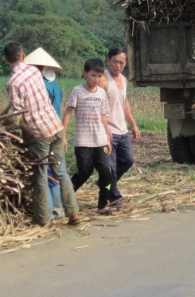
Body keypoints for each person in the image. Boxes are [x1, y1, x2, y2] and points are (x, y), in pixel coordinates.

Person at [0, 42, 80, 226]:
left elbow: (16, 116)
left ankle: (42, 219)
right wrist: (1, 115)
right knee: (61, 172)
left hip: (38, 134)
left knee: (40, 175)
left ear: (5, 59)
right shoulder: (34, 72)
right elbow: (16, 106)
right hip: (55, 126)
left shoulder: (13, 83)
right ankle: (73, 213)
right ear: (23, 56)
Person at [62, 59, 115, 216]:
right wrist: (63, 135)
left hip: (100, 140)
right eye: (93, 75)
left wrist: (108, 136)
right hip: (83, 141)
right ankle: (65, 199)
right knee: (84, 172)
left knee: (106, 173)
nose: (96, 79)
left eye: (99, 76)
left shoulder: (101, 93)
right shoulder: (78, 91)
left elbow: (103, 116)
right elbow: (68, 113)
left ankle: (102, 205)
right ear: (85, 74)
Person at [97, 47, 140, 207]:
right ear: (108, 60)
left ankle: (105, 183)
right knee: (111, 167)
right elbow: (97, 105)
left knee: (128, 160)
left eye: (121, 62)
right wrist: (105, 129)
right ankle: (113, 195)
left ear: (126, 63)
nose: (118, 65)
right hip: (108, 131)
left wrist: (133, 125)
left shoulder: (124, 80)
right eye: (115, 61)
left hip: (122, 130)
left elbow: (125, 104)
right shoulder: (102, 79)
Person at [24, 47, 64, 218]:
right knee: (56, 170)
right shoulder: (55, 86)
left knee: (43, 172)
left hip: (41, 131)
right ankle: (60, 209)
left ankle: (48, 212)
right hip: (56, 129)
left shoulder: (38, 87)